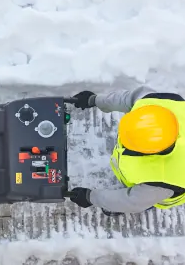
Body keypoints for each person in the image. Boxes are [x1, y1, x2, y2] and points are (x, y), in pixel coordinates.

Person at [67, 86, 185, 214]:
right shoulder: (155, 101)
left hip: (159, 195)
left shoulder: (162, 183)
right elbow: (125, 99)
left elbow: (129, 201)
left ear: (151, 152)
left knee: (141, 202)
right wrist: (94, 100)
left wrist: (91, 197)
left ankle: (142, 206)